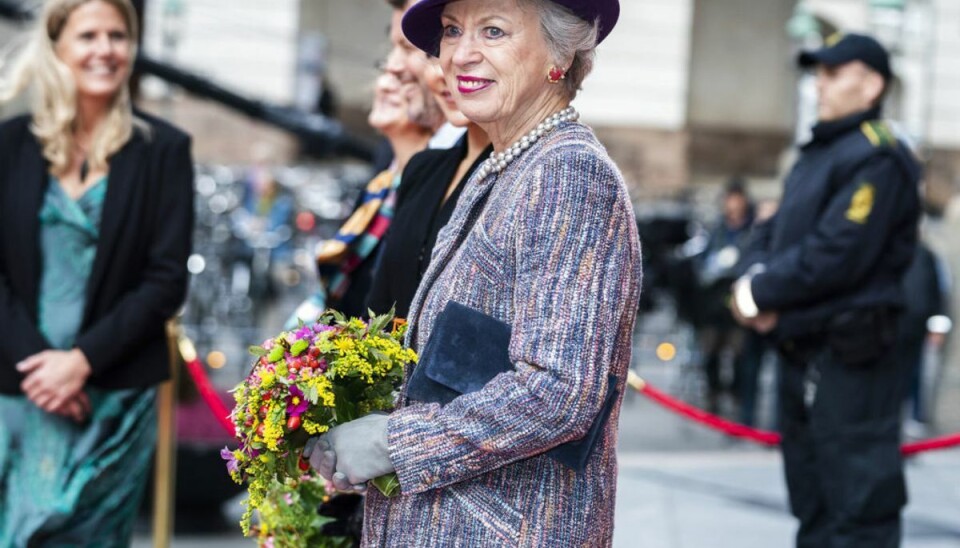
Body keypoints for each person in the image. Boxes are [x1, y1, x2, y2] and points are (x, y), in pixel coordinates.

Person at [308, 0, 641, 545]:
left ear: (560, 53)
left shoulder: (569, 175)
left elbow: (556, 392)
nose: (462, 53)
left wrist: (394, 443)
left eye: (493, 30)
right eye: (451, 31)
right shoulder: (507, 165)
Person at [0, 0, 194, 544]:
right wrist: (42, 373)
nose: (105, 49)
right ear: (57, 46)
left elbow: (166, 280)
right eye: (89, 36)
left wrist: (79, 363)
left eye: (118, 35)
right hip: (19, 390)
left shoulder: (165, 150)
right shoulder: (9, 145)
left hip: (112, 394)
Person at [731, 34, 921, 547]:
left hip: (850, 357)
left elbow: (838, 253)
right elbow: (769, 233)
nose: (820, 84)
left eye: (834, 73)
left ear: (872, 85)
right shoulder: (818, 154)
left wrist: (761, 295)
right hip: (801, 348)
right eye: (818, 73)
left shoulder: (879, 157)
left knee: (857, 513)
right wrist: (749, 286)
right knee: (813, 507)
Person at [285, 71, 432, 322]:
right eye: (384, 69)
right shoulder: (383, 179)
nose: (384, 84)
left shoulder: (427, 184)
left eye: (404, 78)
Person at [366, 52, 493, 318]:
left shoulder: (519, 178)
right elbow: (378, 308)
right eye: (433, 55)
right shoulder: (423, 167)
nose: (441, 72)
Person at [694, 179, 754, 413]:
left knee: (738, 352)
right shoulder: (716, 229)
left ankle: (737, 395)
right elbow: (703, 260)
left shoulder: (751, 230)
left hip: (738, 296)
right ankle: (714, 394)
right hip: (714, 300)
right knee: (711, 349)